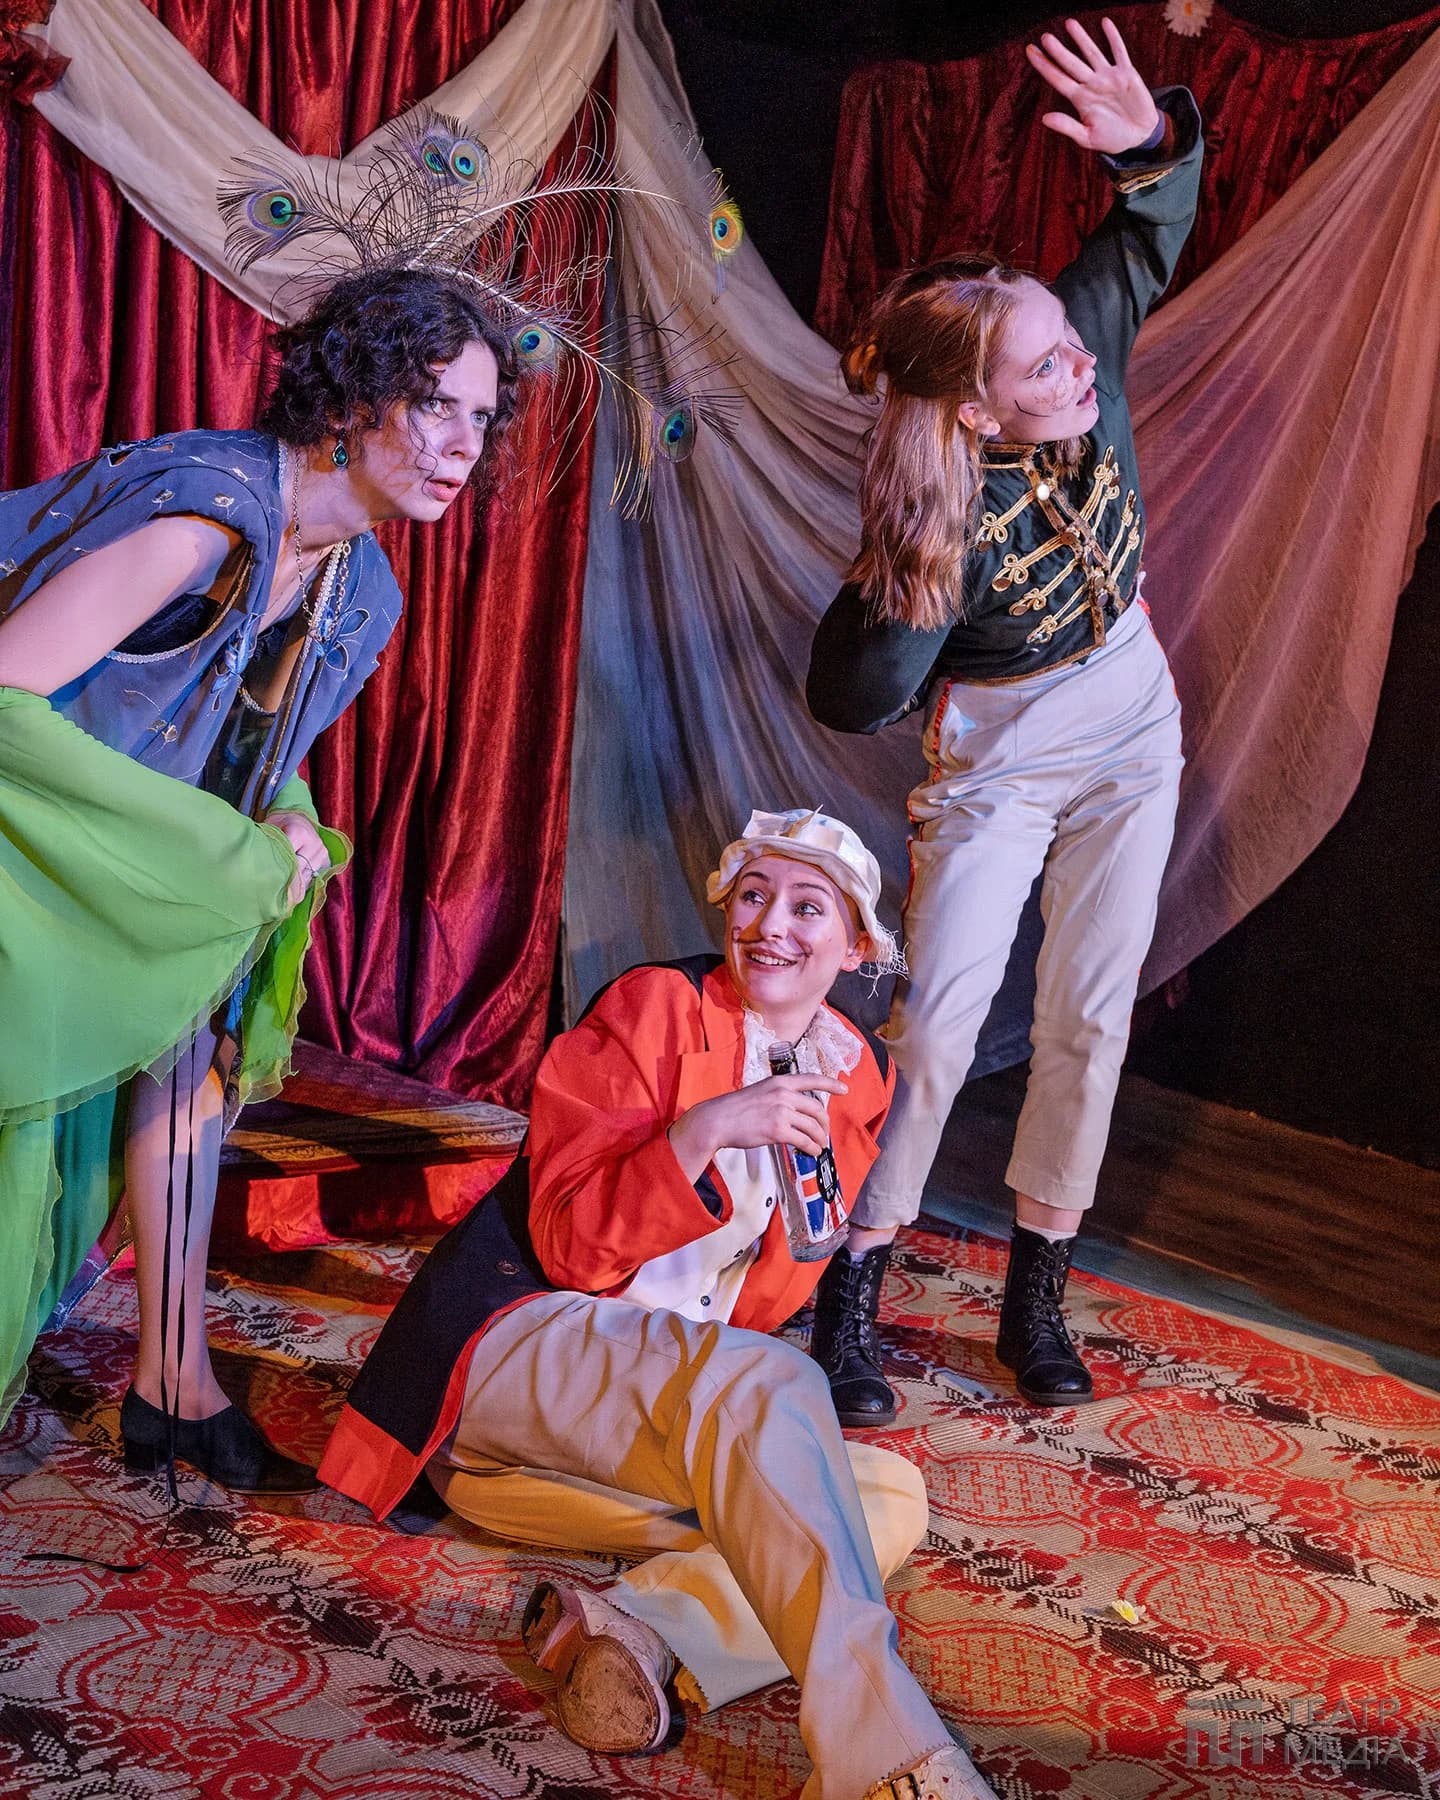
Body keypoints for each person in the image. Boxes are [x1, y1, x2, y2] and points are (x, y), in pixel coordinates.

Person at [320, 807, 997, 1800]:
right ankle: (887, 1759)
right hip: (524, 1355)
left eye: (808, 907)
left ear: (855, 946)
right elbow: (570, 1246)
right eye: (754, 896)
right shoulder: (652, 1007)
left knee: (886, 1494)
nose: (771, 925)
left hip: (653, 1417)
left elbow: (772, 1284)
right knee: (782, 1396)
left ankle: (636, 1630)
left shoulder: (859, 1076)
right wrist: (703, 1132)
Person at [0, 267, 517, 1487]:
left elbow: (252, 749)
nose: (461, 446)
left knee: (203, 1017)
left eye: (482, 418)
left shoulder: (361, 587)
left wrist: (281, 821)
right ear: (354, 397)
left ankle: (173, 1379)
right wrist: (220, 851)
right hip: (27, 827)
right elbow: (7, 695)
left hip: (124, 848)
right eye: (434, 404)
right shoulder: (206, 519)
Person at [805, 20, 1200, 1416]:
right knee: (940, 1026)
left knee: (1090, 1012)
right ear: (974, 413)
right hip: (1003, 752)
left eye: (1066, 346)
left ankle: (1037, 1287)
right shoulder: (937, 515)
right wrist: (914, 569)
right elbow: (850, 694)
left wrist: (1145, 144)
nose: (1080, 371)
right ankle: (853, 1283)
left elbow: (1147, 232)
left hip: (1132, 714)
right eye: (1042, 371)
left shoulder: (1078, 343)